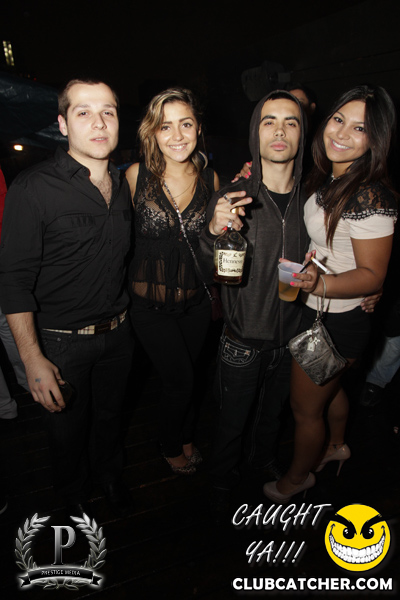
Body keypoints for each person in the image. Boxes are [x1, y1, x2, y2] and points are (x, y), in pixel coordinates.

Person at [0, 79, 134, 517]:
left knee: (111, 420)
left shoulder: (123, 184)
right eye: (83, 112)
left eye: (108, 112)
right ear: (62, 124)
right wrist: (32, 359)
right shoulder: (33, 188)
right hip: (60, 343)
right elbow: (14, 280)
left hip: (119, 334)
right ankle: (72, 495)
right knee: (65, 432)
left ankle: (110, 478)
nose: (99, 122)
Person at [263, 84, 398, 502]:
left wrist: (320, 283)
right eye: (339, 119)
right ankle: (337, 445)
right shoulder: (333, 176)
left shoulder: (368, 193)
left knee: (305, 410)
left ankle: (296, 479)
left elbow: (372, 274)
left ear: (376, 139)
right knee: (333, 388)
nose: (342, 133)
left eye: (360, 128)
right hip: (323, 310)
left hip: (337, 320)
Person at [196, 90, 312, 501]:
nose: (279, 131)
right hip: (242, 341)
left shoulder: (314, 200)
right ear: (254, 134)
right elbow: (204, 268)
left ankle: (262, 460)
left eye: (290, 122)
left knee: (272, 417)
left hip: (293, 339)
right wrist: (212, 232)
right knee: (231, 422)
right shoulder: (233, 196)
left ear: (302, 134)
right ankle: (221, 479)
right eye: (269, 121)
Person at [125, 88, 219, 475]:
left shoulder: (212, 178)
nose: (177, 135)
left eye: (186, 124)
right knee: (179, 380)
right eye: (166, 126)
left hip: (195, 302)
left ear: (198, 128)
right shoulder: (136, 176)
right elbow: (116, 238)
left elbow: (216, 240)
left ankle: (185, 434)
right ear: (153, 131)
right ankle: (168, 444)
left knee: (191, 376)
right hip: (148, 307)